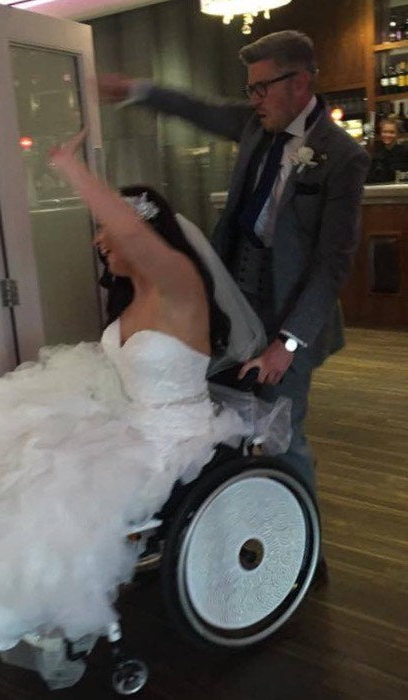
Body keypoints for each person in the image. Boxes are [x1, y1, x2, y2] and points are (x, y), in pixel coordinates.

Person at [0, 130, 270, 653]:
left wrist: (69, 166)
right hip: (129, 423)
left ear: (140, 233)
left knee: (59, 492)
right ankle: (21, 613)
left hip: (174, 440)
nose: (98, 242)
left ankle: (43, 619)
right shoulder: (135, 300)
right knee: (23, 459)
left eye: (103, 229)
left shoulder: (180, 285)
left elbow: (129, 230)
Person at [99, 29, 371, 501]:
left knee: (281, 430)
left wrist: (287, 343)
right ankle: (235, 514)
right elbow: (197, 107)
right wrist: (136, 90)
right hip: (230, 295)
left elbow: (332, 265)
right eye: (250, 88)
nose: (254, 98)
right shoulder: (253, 123)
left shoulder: (344, 158)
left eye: (262, 87)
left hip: (291, 313)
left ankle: (298, 541)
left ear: (301, 84)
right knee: (225, 413)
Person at [366, 116, 408, 183]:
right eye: (385, 132)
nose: (387, 135)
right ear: (381, 134)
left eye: (391, 132)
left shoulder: (405, 153)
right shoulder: (376, 156)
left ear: (397, 134)